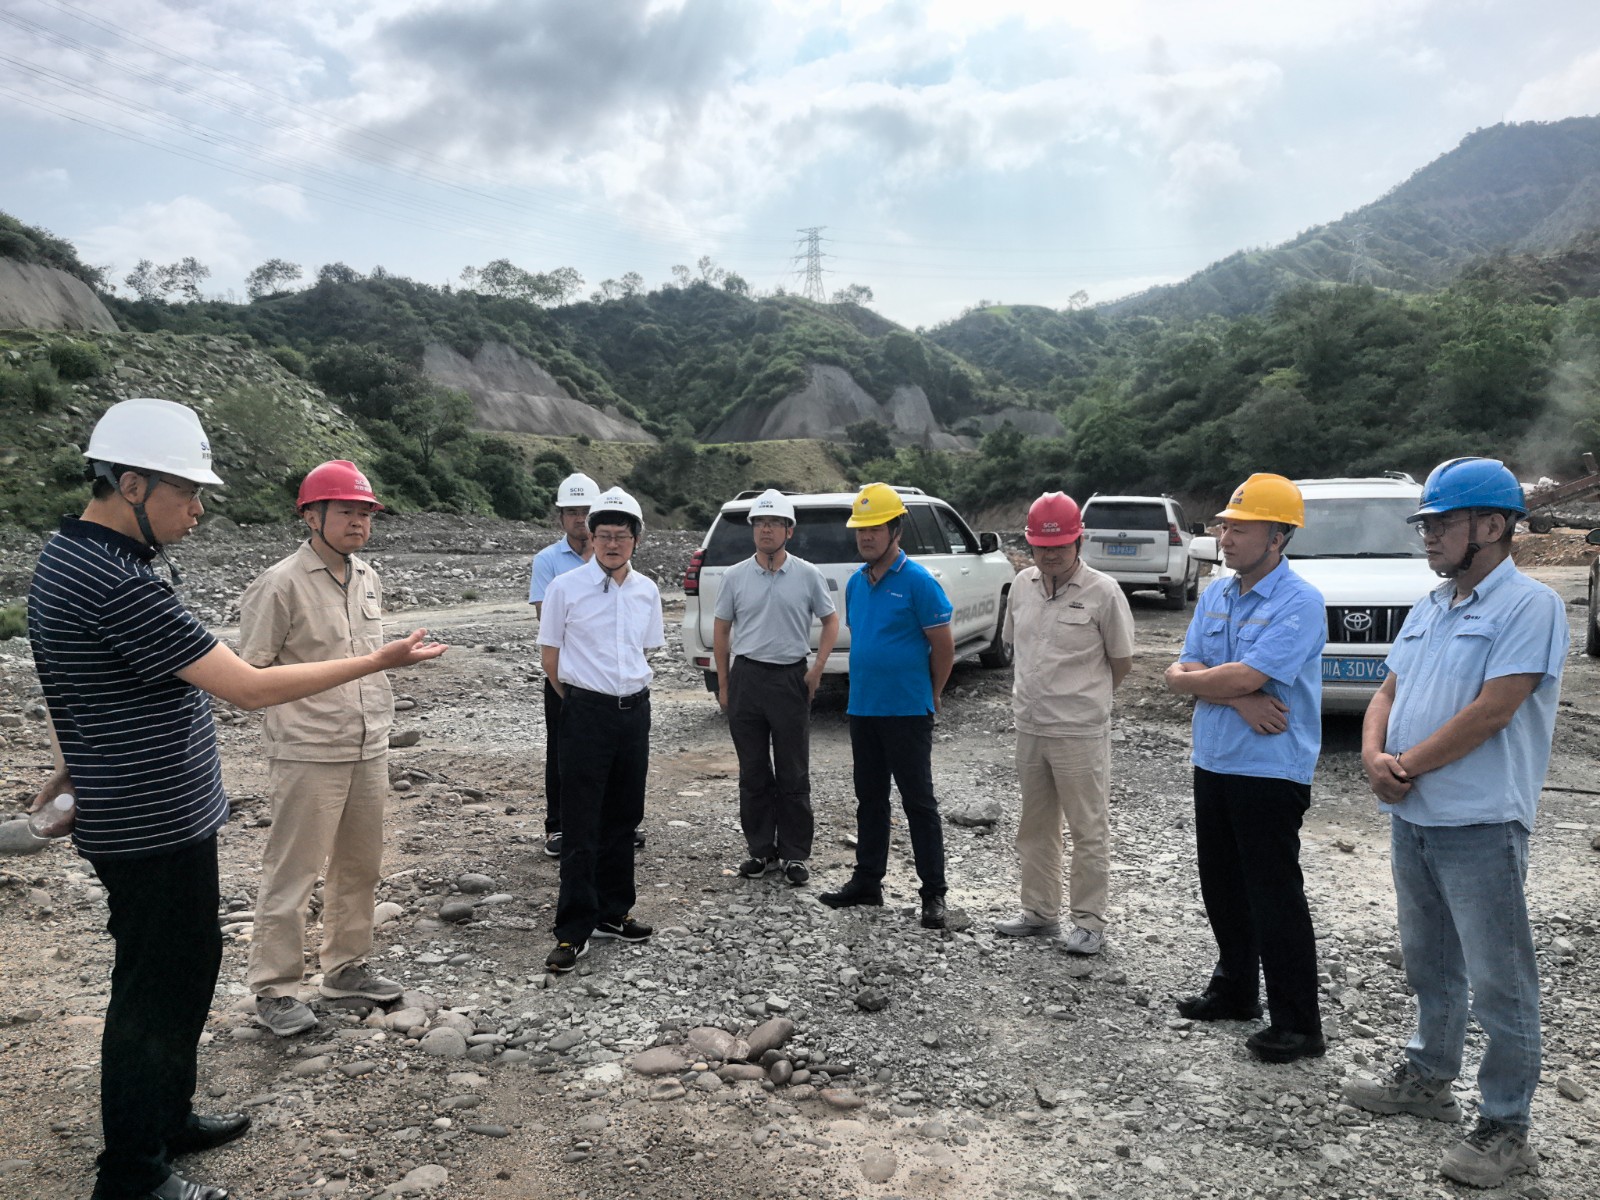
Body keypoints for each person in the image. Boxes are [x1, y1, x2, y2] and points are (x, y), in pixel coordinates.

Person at [26, 399, 444, 1200]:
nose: (198, 508)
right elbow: (247, 685)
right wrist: (379, 660)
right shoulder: (114, 581)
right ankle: (134, 1174)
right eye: (187, 491)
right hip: (148, 820)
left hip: (154, 808)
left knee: (182, 973)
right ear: (132, 484)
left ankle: (167, 1119)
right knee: (153, 991)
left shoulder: (82, 561)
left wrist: (71, 760)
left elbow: (76, 682)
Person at [1346, 458, 1566, 1189]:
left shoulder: (1530, 606)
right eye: (1426, 524)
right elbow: (1387, 690)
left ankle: (1506, 1126)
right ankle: (1428, 1077)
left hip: (1480, 821)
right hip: (1415, 816)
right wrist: (1374, 755)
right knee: (1430, 959)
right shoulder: (1431, 606)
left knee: (1501, 981)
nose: (1429, 536)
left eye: (1442, 522)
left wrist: (1404, 765)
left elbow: (1494, 710)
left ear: (1493, 525)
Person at [236, 460, 403, 1038]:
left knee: (360, 865)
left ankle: (345, 967)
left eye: (365, 513)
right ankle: (275, 988)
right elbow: (251, 673)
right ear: (311, 516)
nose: (359, 522)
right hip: (307, 748)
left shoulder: (368, 576)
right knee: (294, 872)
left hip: (368, 744)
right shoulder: (279, 583)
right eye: (347, 511)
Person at [1163, 473, 1325, 1064]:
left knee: (1273, 894)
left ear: (1277, 537)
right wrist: (1237, 699)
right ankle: (1235, 990)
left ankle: (1299, 1024)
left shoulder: (1300, 602)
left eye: (1240, 528)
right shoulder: (1216, 594)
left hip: (1269, 768)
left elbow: (1244, 674)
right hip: (1215, 759)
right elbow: (1179, 672)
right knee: (1222, 884)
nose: (1225, 538)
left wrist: (1229, 685)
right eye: (1225, 526)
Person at [994, 492, 1133, 954]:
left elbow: (1120, 662)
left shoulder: (1103, 592)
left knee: (1087, 827)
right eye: (1041, 547)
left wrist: (1083, 700)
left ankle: (1089, 922)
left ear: (1079, 541)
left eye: (1059, 546)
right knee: (1035, 826)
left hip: (1079, 731)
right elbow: (1016, 647)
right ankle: (1039, 912)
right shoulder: (1021, 586)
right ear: (1030, 545)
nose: (1050, 555)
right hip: (1030, 726)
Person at [537, 488, 663, 973]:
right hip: (586, 713)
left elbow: (643, 649)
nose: (612, 543)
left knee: (625, 816)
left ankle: (613, 912)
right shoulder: (565, 588)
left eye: (622, 536)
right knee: (581, 821)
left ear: (636, 540)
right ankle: (573, 930)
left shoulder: (646, 590)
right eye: (604, 535)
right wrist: (583, 701)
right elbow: (551, 657)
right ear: (590, 538)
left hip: (635, 711)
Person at [819, 482, 955, 930]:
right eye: (861, 530)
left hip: (908, 712)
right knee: (870, 800)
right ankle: (867, 882)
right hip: (864, 709)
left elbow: (943, 648)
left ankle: (933, 894)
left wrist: (932, 694)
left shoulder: (919, 582)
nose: (866, 537)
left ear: (896, 530)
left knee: (919, 803)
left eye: (875, 528)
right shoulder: (856, 584)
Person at [714, 489, 839, 886]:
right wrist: (724, 683)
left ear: (789, 530)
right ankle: (761, 850)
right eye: (760, 524)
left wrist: (818, 668)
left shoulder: (807, 574)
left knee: (793, 770)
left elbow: (831, 620)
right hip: (747, 677)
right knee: (752, 771)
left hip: (790, 678)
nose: (766, 530)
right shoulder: (734, 576)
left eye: (774, 523)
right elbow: (722, 629)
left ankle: (795, 854)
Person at [527, 472, 598, 859]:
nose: (580, 518)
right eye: (572, 512)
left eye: (586, 511)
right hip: (564, 671)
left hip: (604, 672)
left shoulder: (613, 555)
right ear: (561, 518)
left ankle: (610, 822)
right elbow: (547, 620)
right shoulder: (548, 561)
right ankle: (558, 825)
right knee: (561, 750)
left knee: (608, 749)